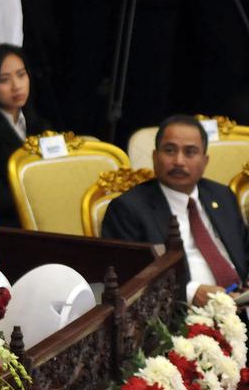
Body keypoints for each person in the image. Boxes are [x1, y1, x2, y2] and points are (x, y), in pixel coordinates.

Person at [102, 114, 249, 306]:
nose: (179, 161)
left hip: (241, 305)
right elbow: (129, 280)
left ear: (205, 161)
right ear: (155, 157)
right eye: (170, 150)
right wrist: (190, 293)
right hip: (182, 314)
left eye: (190, 152)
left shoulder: (222, 195)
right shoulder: (128, 209)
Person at [0, 44, 51, 227]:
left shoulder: (41, 127)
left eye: (21, 75)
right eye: (4, 80)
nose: (17, 86)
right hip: (7, 224)